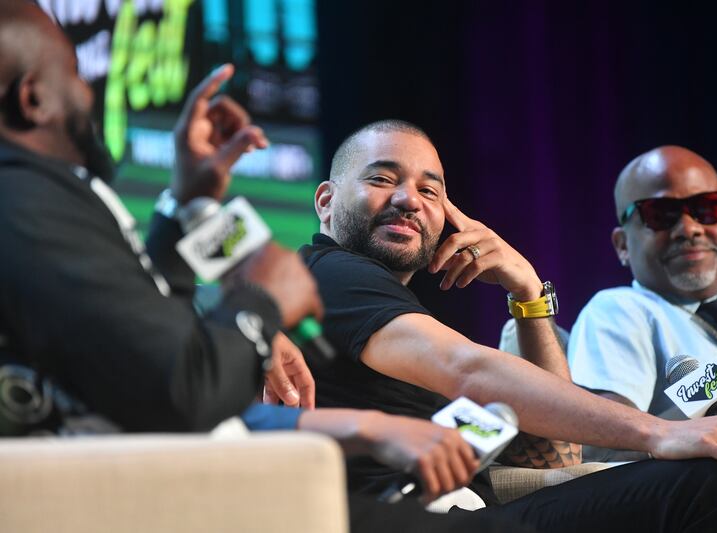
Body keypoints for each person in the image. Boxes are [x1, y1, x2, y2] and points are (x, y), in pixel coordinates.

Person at [0, 4, 531, 532]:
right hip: (182, 492)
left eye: (429, 189)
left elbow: (143, 334)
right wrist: (261, 305)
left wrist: (186, 201)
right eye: (74, 74)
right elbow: (183, 391)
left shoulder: (42, 199)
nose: (90, 92)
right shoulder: (25, 200)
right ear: (32, 98)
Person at [299, 119, 717, 531]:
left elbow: (558, 458)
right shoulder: (330, 273)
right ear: (325, 201)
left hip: (468, 513)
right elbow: (465, 367)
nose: (410, 199)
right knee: (707, 487)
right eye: (382, 179)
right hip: (407, 520)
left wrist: (528, 293)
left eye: (429, 189)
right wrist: (659, 434)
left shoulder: (386, 309)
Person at [561, 146, 717, 453]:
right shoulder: (620, 311)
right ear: (622, 245)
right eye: (661, 215)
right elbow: (598, 448)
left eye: (706, 208)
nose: (689, 229)